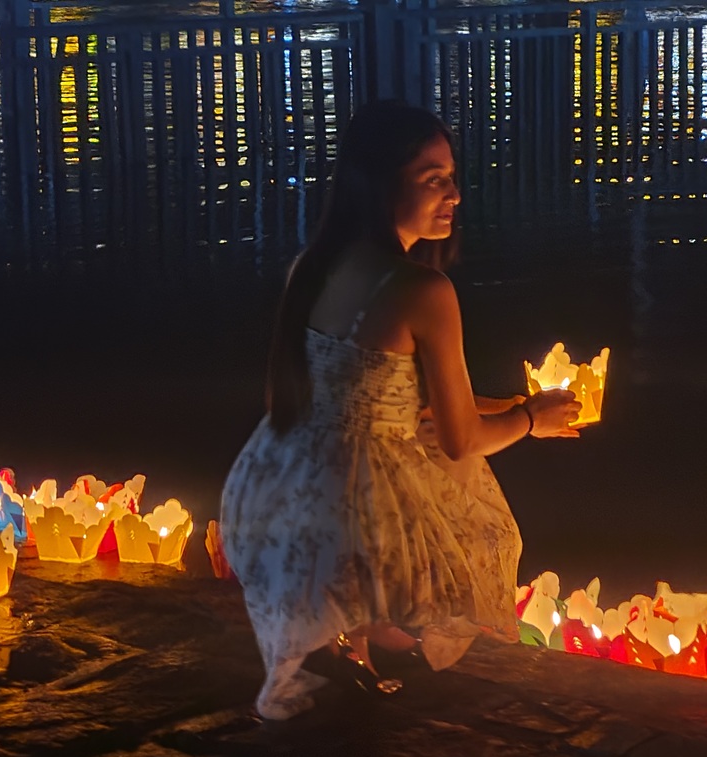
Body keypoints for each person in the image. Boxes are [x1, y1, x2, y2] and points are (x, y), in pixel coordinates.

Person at [219, 101, 582, 721]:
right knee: (474, 517)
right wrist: (530, 422)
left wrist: (517, 402)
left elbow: (371, 391)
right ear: (381, 185)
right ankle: (355, 638)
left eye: (452, 178)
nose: (454, 196)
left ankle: (355, 630)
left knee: (396, 469)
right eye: (433, 179)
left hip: (288, 470)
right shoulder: (424, 290)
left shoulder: (313, 267)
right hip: (359, 494)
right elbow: (462, 438)